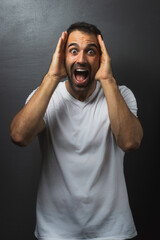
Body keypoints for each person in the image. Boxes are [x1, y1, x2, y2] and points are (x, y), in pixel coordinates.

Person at [10, 22, 143, 240]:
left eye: (90, 51)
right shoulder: (45, 97)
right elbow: (19, 136)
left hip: (112, 230)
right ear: (63, 57)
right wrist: (52, 77)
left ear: (101, 58)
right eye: (73, 51)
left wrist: (108, 80)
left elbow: (130, 142)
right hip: (56, 231)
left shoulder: (121, 95)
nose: (81, 59)